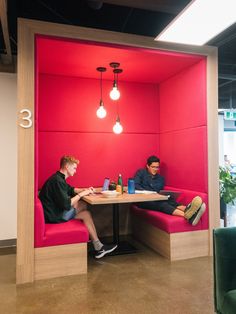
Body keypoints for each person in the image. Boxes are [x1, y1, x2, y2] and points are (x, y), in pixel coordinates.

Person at [39, 155, 117, 258]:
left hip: (53, 213)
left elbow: (71, 189)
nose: (75, 171)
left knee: (85, 213)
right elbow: (66, 205)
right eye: (74, 168)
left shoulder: (58, 178)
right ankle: (96, 244)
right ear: (67, 166)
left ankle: (98, 245)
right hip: (55, 217)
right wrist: (82, 194)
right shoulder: (57, 181)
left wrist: (85, 190)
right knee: (82, 204)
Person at [134, 155, 206, 226]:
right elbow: (136, 185)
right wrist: (149, 193)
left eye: (157, 167)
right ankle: (188, 216)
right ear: (147, 166)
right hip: (143, 200)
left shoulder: (160, 178)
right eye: (153, 167)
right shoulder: (141, 173)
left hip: (156, 198)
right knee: (161, 204)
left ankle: (189, 209)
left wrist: (160, 195)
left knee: (169, 199)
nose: (155, 169)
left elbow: (158, 191)